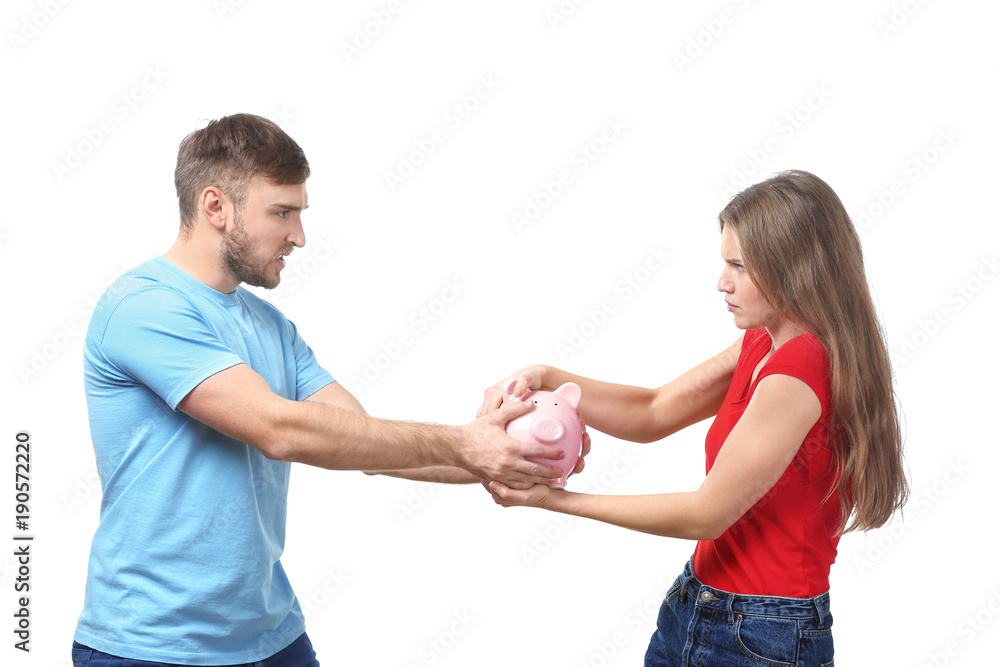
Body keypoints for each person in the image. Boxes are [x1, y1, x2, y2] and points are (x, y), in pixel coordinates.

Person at [72, 113, 584, 667]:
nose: (299, 236)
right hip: (151, 646)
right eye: (281, 212)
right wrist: (468, 445)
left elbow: (363, 441)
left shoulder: (269, 326)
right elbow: (280, 430)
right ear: (215, 207)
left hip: (270, 637)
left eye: (299, 213)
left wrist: (508, 452)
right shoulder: (143, 307)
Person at [479, 170, 909, 666]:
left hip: (763, 634)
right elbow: (654, 410)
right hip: (697, 603)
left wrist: (554, 500)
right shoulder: (763, 341)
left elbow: (707, 513)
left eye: (740, 266)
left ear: (795, 268)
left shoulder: (801, 368)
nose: (721, 282)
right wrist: (549, 377)